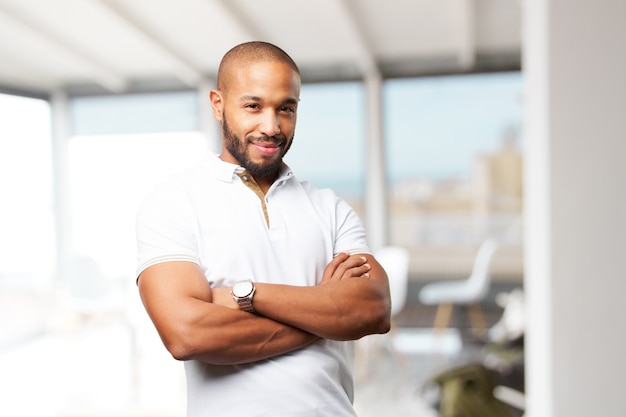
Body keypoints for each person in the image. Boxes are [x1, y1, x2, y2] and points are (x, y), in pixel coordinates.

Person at [135, 41, 392, 417]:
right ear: (218, 104)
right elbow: (186, 334)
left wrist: (246, 294)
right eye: (253, 106)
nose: (271, 127)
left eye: (285, 108)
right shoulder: (174, 203)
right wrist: (328, 313)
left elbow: (373, 310)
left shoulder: (330, 208)